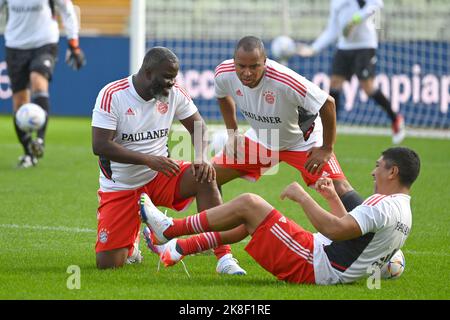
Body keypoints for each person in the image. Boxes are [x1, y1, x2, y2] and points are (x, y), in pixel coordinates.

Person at [140, 147, 420, 285]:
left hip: (316, 265)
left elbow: (336, 230)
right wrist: (333, 198)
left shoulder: (383, 205)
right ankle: (179, 247)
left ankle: (171, 229)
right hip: (324, 258)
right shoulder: (401, 209)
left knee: (250, 204)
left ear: (392, 172)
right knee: (248, 222)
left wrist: (303, 197)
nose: (373, 172)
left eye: (378, 166)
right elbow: (354, 236)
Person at [91, 46, 246, 274]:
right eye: (166, 77)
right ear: (148, 73)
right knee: (108, 264)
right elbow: (100, 145)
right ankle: (137, 239)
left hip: (161, 175)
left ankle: (224, 258)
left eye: (174, 78)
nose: (171, 83)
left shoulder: (174, 93)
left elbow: (198, 127)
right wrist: (149, 160)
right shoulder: (113, 95)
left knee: (205, 175)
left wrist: (202, 158)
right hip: (122, 185)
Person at [212, 35, 364, 214]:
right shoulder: (224, 72)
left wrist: (326, 148)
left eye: (254, 66)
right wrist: (233, 133)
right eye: (241, 66)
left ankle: (374, 235)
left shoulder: (285, 80)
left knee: (340, 189)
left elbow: (328, 103)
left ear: (265, 62)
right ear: (234, 62)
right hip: (262, 139)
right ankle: (215, 240)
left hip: (302, 142)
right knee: (208, 177)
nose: (247, 72)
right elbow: (222, 96)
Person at [297, 0, 405, 144]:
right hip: (344, 47)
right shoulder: (335, 2)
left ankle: (395, 119)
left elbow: (377, 4)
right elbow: (332, 30)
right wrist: (314, 48)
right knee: (334, 84)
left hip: (365, 45)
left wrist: (356, 19)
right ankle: (329, 127)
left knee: (368, 87)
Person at [1, 0, 86, 168]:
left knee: (38, 82)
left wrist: (73, 43)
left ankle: (40, 139)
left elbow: (67, 9)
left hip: (44, 43)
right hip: (15, 45)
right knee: (19, 103)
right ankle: (29, 153)